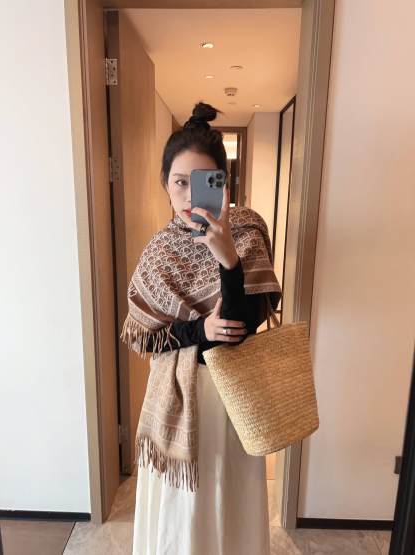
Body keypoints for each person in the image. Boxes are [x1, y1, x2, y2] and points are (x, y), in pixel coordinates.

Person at [120, 102, 282, 555]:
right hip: (177, 400)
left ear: (222, 183)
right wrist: (200, 331)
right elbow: (146, 337)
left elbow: (243, 325)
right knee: (180, 513)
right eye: (179, 182)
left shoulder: (247, 230)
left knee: (229, 507)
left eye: (203, 181)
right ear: (165, 184)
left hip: (232, 398)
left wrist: (228, 258)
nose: (189, 196)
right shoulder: (159, 251)